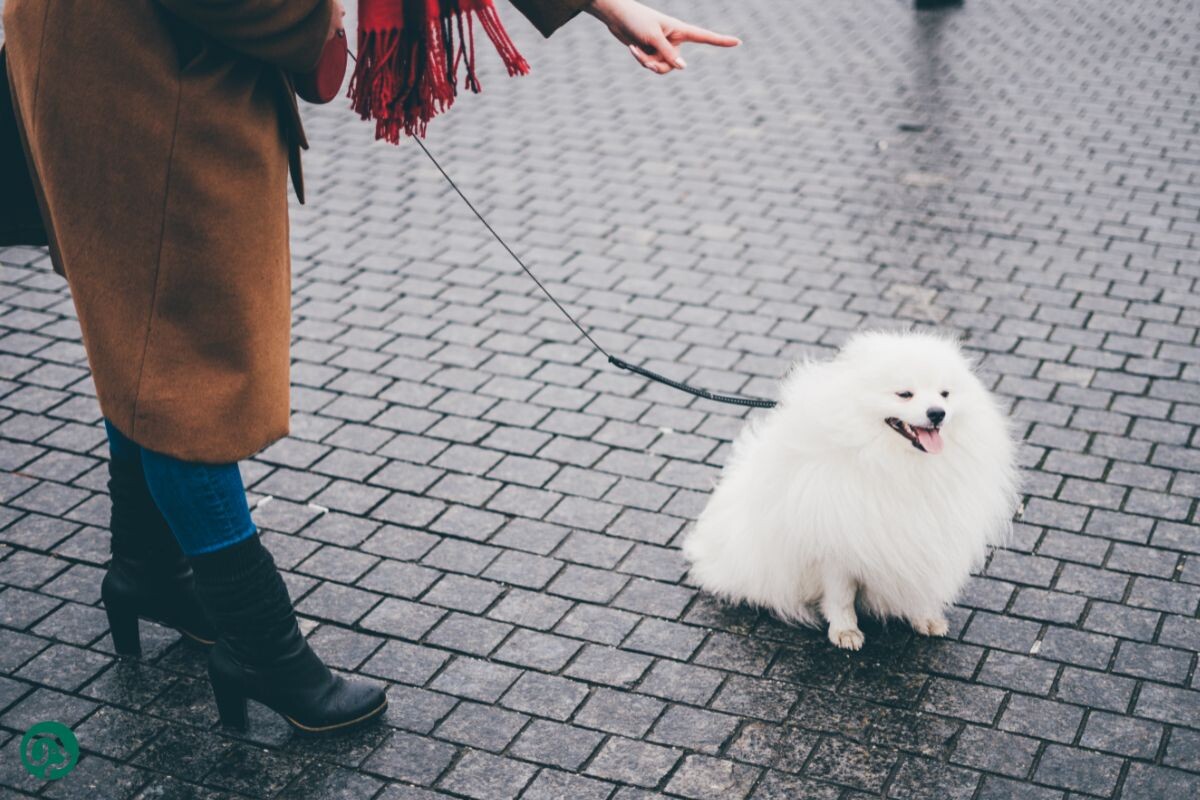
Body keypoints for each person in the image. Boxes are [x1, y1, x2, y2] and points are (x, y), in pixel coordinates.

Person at [1, 0, 738, 735]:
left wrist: (605, 6)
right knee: (181, 363)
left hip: (126, 55)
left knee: (142, 323)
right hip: (137, 71)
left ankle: (148, 570)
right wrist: (319, 24)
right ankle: (259, 646)